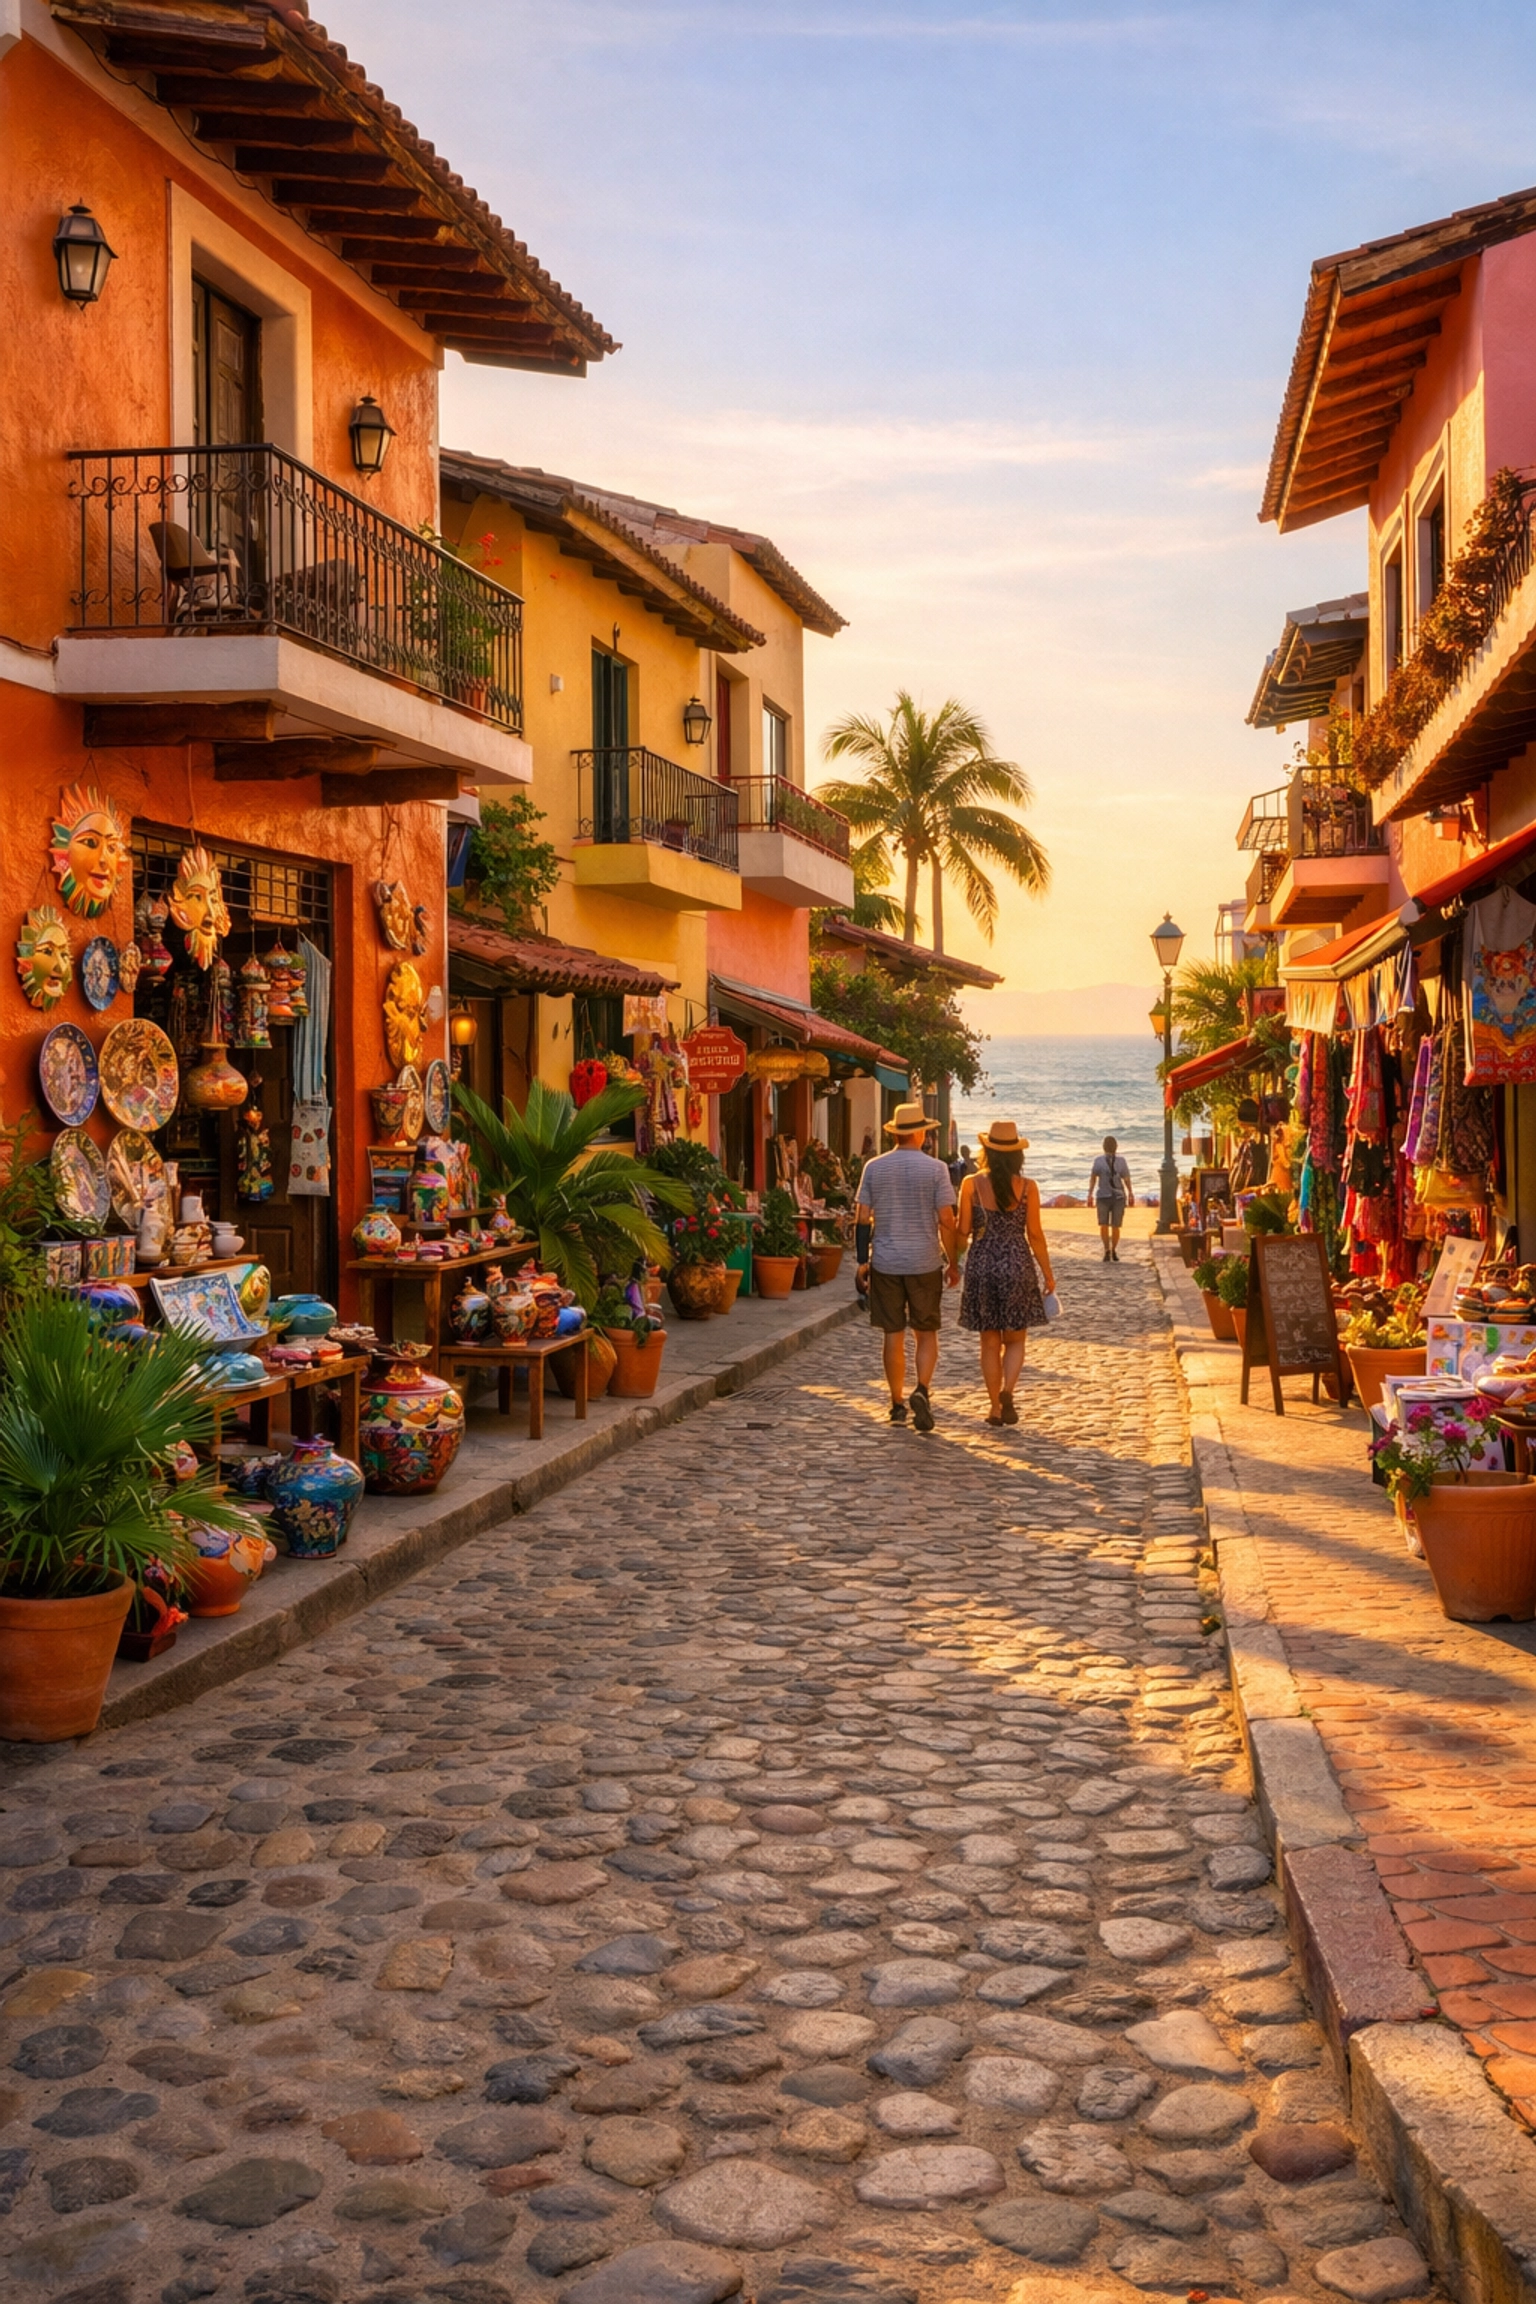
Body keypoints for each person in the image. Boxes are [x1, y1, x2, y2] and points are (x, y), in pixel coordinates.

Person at [855, 1101, 959, 1432]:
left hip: (885, 1261)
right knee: (925, 1332)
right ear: (918, 1132)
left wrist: (861, 1261)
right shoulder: (936, 1169)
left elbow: (861, 1218)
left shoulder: (874, 1167)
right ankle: (923, 1390)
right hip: (924, 1261)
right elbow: (946, 1219)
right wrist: (952, 1260)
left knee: (893, 1333)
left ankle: (897, 1403)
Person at [955, 1118, 1055, 1424]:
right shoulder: (1028, 1188)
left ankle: (995, 1407)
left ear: (986, 1151)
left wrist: (951, 1261)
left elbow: (963, 1230)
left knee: (989, 1342)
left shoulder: (970, 1185)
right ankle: (1008, 1390)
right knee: (1015, 1339)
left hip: (983, 1263)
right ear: (1017, 1155)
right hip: (1017, 1263)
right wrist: (1048, 1274)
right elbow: (1035, 1235)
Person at [1088, 1134, 1133, 1261]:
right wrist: (1130, 1193)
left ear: (1103, 1147)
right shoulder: (1100, 1161)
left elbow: (1093, 1179)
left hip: (1115, 1196)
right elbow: (1127, 1179)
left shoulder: (1119, 1161)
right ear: (1116, 1147)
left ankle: (1110, 1249)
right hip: (1105, 1196)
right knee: (1109, 1225)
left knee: (1111, 1225)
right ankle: (1109, 1250)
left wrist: (1090, 1194)